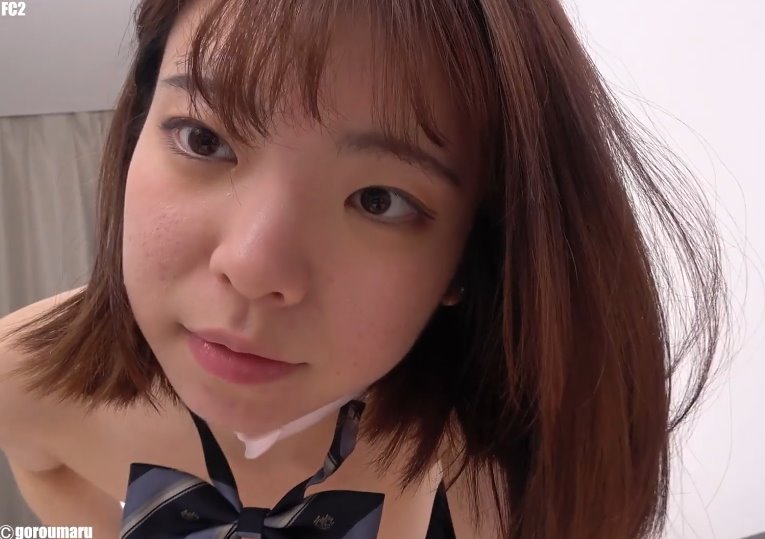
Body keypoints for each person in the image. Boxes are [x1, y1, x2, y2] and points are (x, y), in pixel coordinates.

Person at [0, 0, 728, 537]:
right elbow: (50, 482)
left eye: (379, 200)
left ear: (467, 258)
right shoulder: (22, 376)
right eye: (203, 138)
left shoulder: (494, 438)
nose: (252, 267)